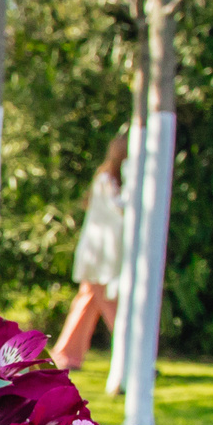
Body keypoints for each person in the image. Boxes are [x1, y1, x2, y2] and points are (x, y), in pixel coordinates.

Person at [55, 131, 129, 371]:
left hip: (102, 257)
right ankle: (131, 357)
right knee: (114, 310)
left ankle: (66, 355)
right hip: (99, 257)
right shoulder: (106, 180)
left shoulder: (112, 180)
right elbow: (120, 211)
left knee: (87, 304)